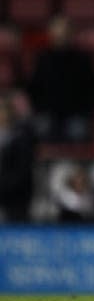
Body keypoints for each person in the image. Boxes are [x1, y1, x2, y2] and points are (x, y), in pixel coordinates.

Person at [27, 15, 94, 143]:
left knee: (79, 130)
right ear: (51, 34)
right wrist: (41, 109)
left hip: (76, 114)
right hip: (48, 113)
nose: (60, 36)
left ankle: (76, 163)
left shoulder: (82, 60)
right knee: (40, 128)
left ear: (70, 34)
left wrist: (85, 111)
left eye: (64, 32)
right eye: (57, 33)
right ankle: (45, 163)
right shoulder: (43, 59)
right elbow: (34, 88)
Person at [0, 92, 36, 222]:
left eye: (2, 110)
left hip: (15, 198)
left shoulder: (21, 137)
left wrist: (3, 187)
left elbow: (22, 169)